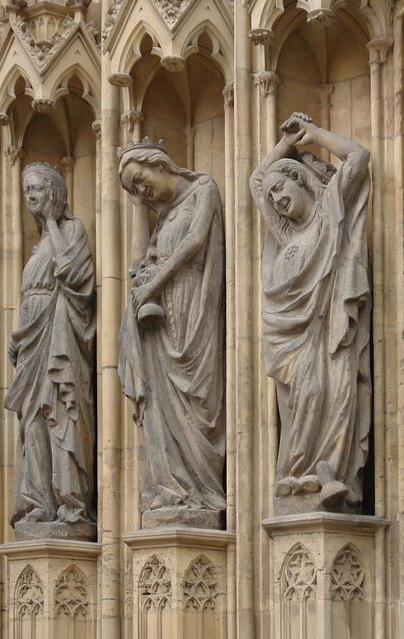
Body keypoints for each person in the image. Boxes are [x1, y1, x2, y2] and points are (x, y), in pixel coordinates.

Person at [250, 112, 371, 510]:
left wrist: (311, 136)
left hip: (330, 323)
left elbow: (358, 157)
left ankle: (327, 472)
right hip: (291, 333)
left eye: (281, 190)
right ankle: (295, 473)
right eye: (273, 200)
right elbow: (255, 181)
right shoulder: (286, 233)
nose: (277, 201)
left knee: (336, 392)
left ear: (300, 180)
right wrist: (281, 149)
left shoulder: (330, 208)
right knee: (307, 394)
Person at [117, 139, 226, 525]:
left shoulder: (203, 189)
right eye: (132, 187)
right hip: (162, 317)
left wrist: (154, 284)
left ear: (159, 163)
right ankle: (172, 492)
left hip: (193, 305)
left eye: (139, 179)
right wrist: (137, 207)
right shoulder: (161, 217)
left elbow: (196, 242)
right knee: (160, 410)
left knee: (197, 403)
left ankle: (201, 494)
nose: (140, 189)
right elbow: (136, 261)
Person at [5, 162, 96, 531]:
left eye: (38, 188)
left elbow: (72, 274)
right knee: (32, 422)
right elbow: (30, 295)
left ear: (55, 192)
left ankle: (70, 502)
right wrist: (18, 335)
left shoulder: (70, 230)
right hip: (31, 337)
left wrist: (55, 221)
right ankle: (39, 502)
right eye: (26, 189)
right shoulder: (36, 245)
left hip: (60, 334)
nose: (30, 196)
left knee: (59, 412)